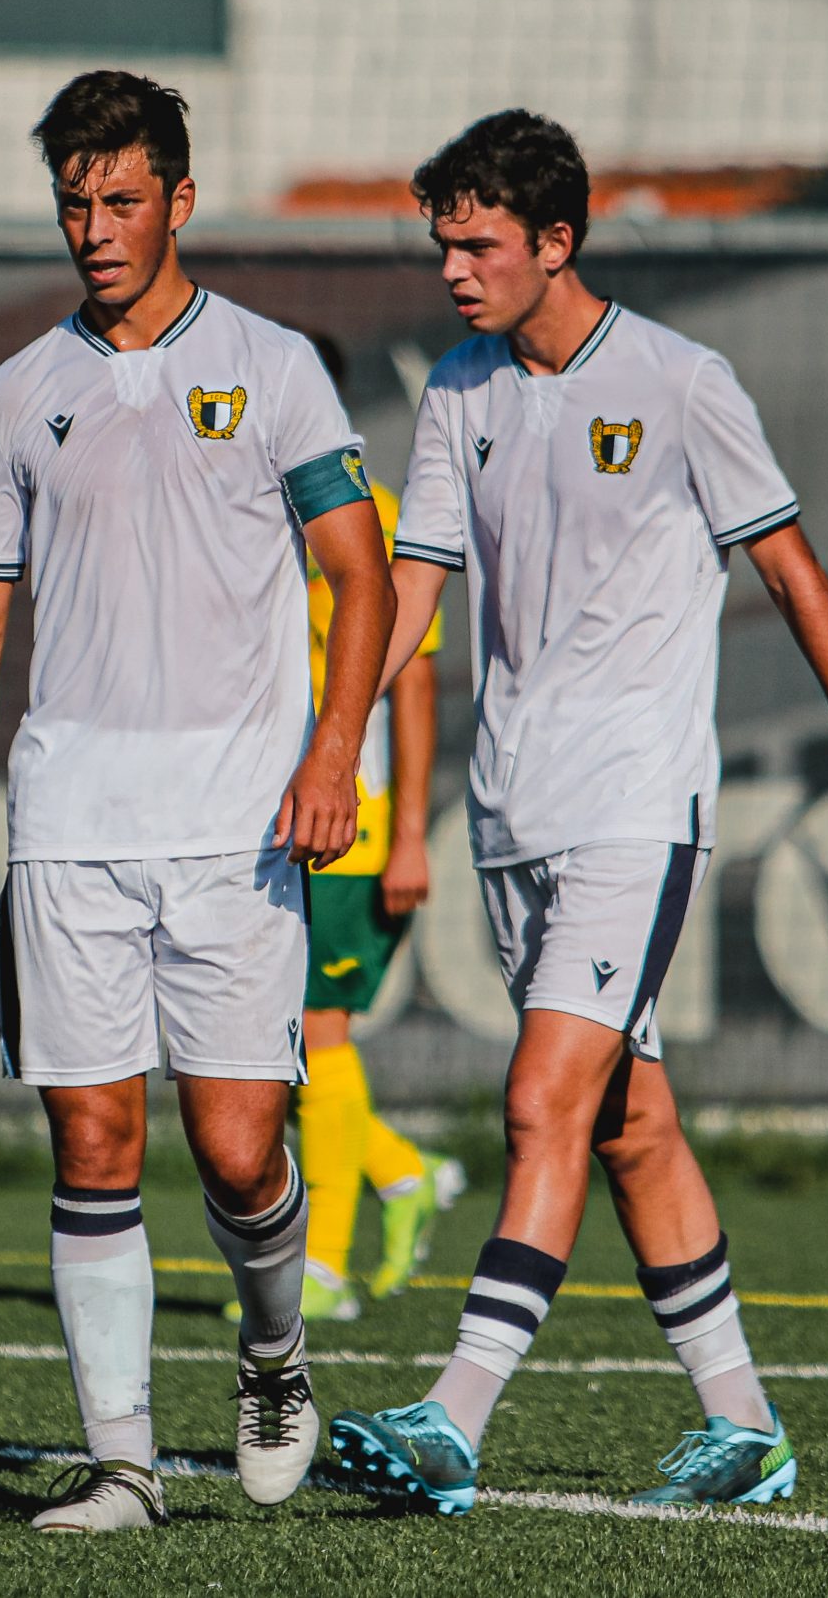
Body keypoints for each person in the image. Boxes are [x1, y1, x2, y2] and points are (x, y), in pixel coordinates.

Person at [328, 111, 828, 1514]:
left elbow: (789, 570)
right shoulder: (459, 393)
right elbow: (415, 592)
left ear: (558, 241)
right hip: (509, 810)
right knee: (629, 1124)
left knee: (543, 1096)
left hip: (634, 804)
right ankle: (746, 1423)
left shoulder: (680, 380)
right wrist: (326, 742)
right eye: (442, 241)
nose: (454, 267)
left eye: (480, 242)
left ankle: (452, 1417)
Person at [0, 71, 393, 1532]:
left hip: (241, 828)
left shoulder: (270, 366)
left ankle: (273, 1350)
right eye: (74, 199)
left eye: (122, 197)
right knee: (92, 1142)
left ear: (180, 201)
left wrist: (335, 752)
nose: (95, 225)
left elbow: (363, 576)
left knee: (244, 1147)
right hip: (70, 825)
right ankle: (123, 1462)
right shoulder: (16, 392)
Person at [273, 331, 467, 1323]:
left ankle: (323, 1267)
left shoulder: (377, 519)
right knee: (268, 1054)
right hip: (253, 822)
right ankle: (402, 1174)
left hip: (356, 818)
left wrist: (411, 837)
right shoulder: (238, 512)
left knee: (316, 1031)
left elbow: (416, 683)